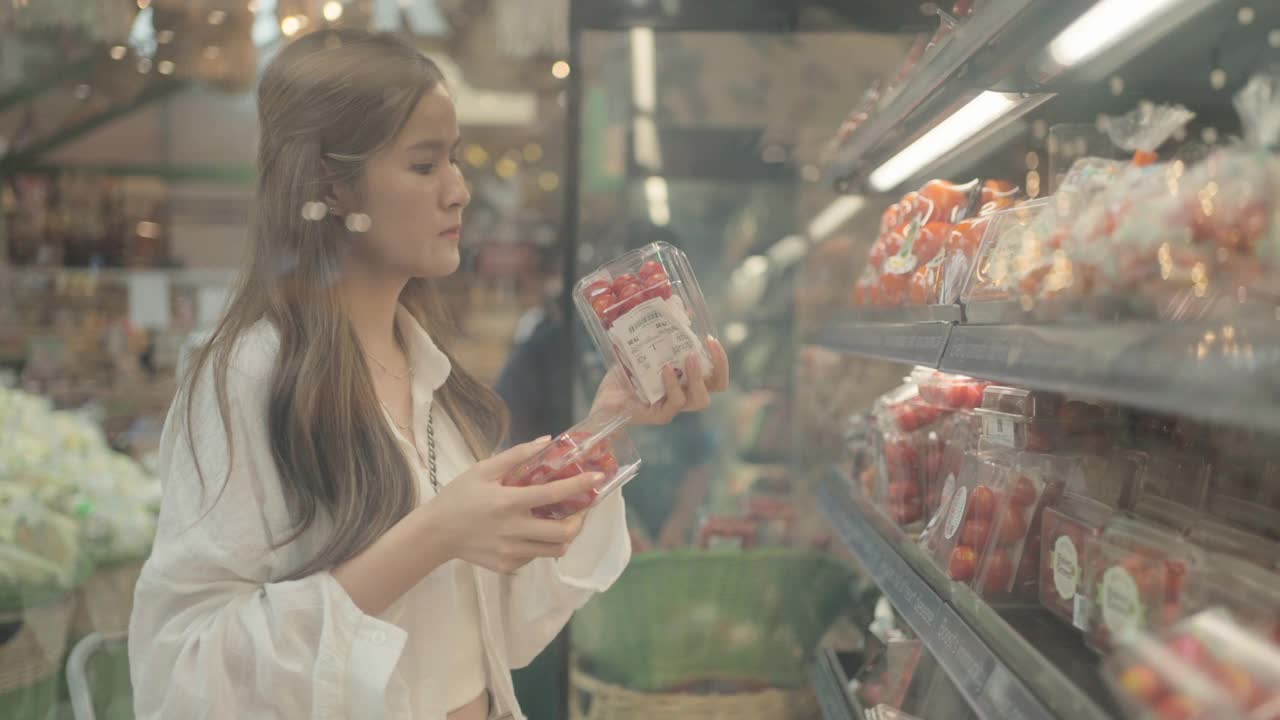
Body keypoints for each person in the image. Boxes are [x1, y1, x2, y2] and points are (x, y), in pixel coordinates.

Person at [127, 29, 730, 720]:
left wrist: (608, 426)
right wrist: (434, 535)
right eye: (424, 165)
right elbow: (183, 674)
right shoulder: (247, 379)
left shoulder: (431, 377)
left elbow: (486, 630)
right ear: (331, 181)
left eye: (456, 160)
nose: (460, 191)